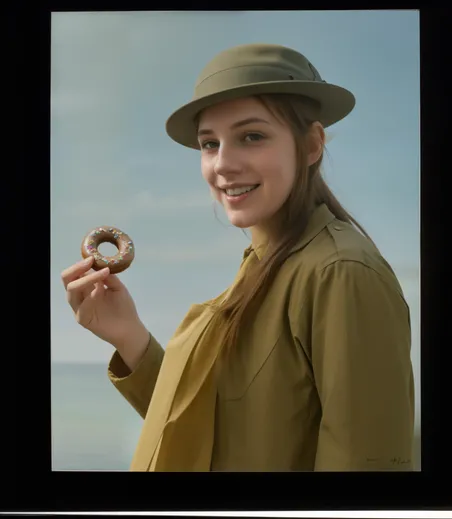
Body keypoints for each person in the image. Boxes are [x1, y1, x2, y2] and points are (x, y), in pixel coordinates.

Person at [61, 43, 415, 471]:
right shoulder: (263, 266)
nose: (223, 164)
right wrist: (128, 336)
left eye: (252, 136)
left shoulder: (339, 273)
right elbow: (211, 430)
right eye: (209, 144)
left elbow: (365, 469)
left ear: (311, 145)